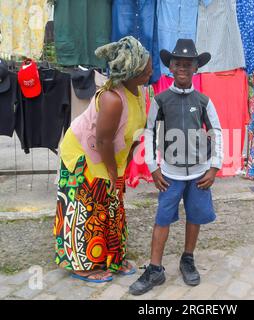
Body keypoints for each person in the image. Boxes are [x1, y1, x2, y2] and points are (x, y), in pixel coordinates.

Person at [53, 36, 153, 282]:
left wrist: (124, 168)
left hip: (109, 156)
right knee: (87, 209)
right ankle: (81, 264)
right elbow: (103, 141)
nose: (151, 72)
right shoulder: (112, 99)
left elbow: (135, 133)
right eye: (146, 69)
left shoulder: (139, 91)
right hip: (84, 155)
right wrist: (112, 173)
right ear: (131, 72)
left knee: (112, 205)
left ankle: (112, 258)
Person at [129, 39, 223, 295]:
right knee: (163, 218)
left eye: (188, 64)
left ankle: (188, 259)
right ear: (170, 67)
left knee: (195, 216)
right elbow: (148, 132)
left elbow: (216, 131)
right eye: (178, 63)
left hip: (199, 174)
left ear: (195, 68)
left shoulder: (203, 101)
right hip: (169, 174)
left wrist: (214, 167)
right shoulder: (161, 100)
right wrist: (153, 167)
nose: (182, 68)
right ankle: (155, 269)